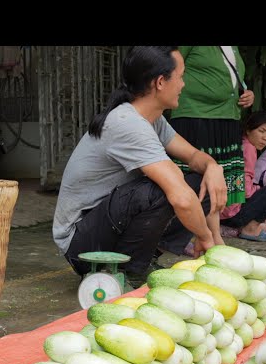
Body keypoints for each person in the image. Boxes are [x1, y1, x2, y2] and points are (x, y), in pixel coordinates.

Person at [52, 46, 227, 287]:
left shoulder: (154, 119)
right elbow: (181, 198)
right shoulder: (127, 123)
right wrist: (206, 238)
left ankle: (143, 260)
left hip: (107, 224)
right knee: (167, 190)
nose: (183, 85)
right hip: (81, 243)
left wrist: (213, 167)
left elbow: (194, 156)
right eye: (181, 76)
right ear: (160, 83)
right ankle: (131, 270)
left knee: (197, 183)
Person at [169, 46, 254, 208]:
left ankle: (215, 228)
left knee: (219, 183)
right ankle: (188, 228)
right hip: (195, 116)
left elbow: (233, 76)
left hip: (227, 119)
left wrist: (247, 93)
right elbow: (169, 67)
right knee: (195, 181)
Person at [220, 111, 266, 242]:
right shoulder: (248, 149)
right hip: (232, 215)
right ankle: (251, 228)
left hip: (223, 212)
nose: (265, 138)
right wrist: (264, 194)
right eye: (261, 131)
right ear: (248, 130)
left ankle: (256, 224)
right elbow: (247, 191)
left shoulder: (241, 144)